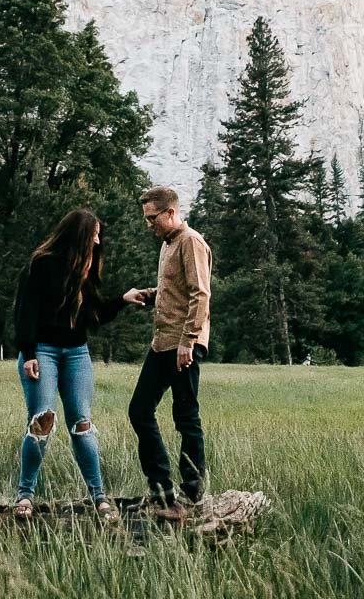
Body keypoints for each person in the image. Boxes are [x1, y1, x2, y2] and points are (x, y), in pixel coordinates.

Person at [10, 207, 148, 521]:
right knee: (41, 422)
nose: (98, 241)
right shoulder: (41, 264)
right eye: (94, 234)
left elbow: (93, 317)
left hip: (76, 354)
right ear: (79, 235)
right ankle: (25, 495)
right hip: (42, 351)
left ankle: (99, 497)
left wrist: (122, 300)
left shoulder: (85, 270)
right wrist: (28, 353)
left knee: (82, 425)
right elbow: (25, 311)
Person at [127, 184, 212, 514]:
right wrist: (147, 295)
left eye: (152, 218)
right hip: (162, 342)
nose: (149, 224)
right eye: (146, 218)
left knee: (185, 417)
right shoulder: (167, 244)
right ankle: (161, 489)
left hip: (182, 345)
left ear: (171, 212)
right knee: (139, 410)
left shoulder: (191, 241)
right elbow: (173, 292)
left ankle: (191, 495)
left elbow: (200, 294)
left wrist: (188, 342)